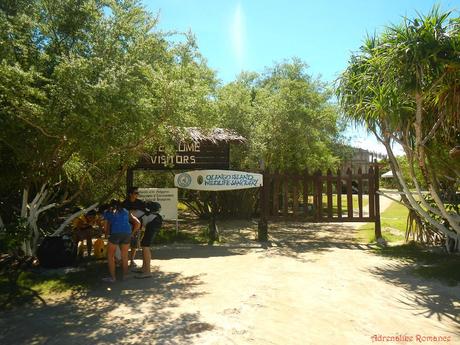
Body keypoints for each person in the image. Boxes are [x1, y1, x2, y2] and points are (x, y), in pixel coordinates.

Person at [102, 199, 140, 283]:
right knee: (125, 255)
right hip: (127, 233)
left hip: (115, 233)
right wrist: (132, 233)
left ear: (110, 205)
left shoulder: (108, 211)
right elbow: (138, 223)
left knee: (110, 256)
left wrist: (106, 235)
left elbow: (105, 227)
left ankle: (113, 278)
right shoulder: (125, 211)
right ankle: (125, 275)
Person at [134, 201, 163, 279]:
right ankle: (144, 268)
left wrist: (138, 240)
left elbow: (138, 226)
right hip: (155, 222)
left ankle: (147, 272)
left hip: (153, 223)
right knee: (144, 245)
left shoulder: (134, 214)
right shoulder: (140, 212)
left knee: (145, 246)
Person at [122, 187, 146, 268]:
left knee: (134, 244)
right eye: (135, 193)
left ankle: (132, 260)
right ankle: (123, 260)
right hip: (126, 226)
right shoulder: (125, 203)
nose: (137, 194)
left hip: (137, 226)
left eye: (137, 193)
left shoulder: (140, 203)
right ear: (130, 194)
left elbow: (144, 214)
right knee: (125, 243)